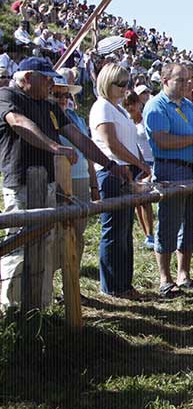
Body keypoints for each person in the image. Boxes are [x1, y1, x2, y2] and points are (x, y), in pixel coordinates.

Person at [0, 57, 131, 311]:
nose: (51, 84)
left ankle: (41, 307)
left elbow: (78, 138)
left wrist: (110, 165)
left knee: (46, 245)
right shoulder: (7, 96)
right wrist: (53, 146)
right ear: (27, 78)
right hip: (20, 183)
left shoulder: (50, 107)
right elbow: (18, 123)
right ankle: (10, 310)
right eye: (46, 78)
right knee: (18, 246)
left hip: (48, 184)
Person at [143, 62, 193, 297]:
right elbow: (163, 140)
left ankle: (184, 274)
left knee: (192, 223)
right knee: (170, 222)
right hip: (171, 170)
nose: (187, 84)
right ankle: (165, 278)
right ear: (165, 81)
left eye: (188, 79)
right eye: (180, 80)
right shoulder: (157, 106)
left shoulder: (188, 106)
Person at [90, 64, 152, 299]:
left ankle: (124, 283)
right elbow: (112, 143)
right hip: (112, 170)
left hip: (125, 170)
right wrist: (141, 164)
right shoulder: (102, 108)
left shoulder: (118, 109)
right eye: (120, 83)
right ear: (108, 83)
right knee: (114, 230)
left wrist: (138, 163)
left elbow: (128, 141)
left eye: (127, 83)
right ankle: (112, 286)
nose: (125, 88)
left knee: (125, 231)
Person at [51, 71, 97, 271]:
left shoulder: (75, 118)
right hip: (58, 181)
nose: (62, 99)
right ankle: (51, 288)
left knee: (78, 233)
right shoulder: (45, 118)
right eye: (57, 95)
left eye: (66, 95)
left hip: (81, 179)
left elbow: (88, 152)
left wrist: (94, 184)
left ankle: (73, 285)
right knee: (55, 234)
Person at [124, 88, 155, 249]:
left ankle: (151, 232)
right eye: (127, 105)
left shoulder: (146, 121)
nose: (130, 108)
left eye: (133, 104)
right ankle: (147, 235)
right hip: (135, 163)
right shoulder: (127, 123)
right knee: (138, 201)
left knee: (146, 200)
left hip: (149, 162)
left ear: (138, 103)